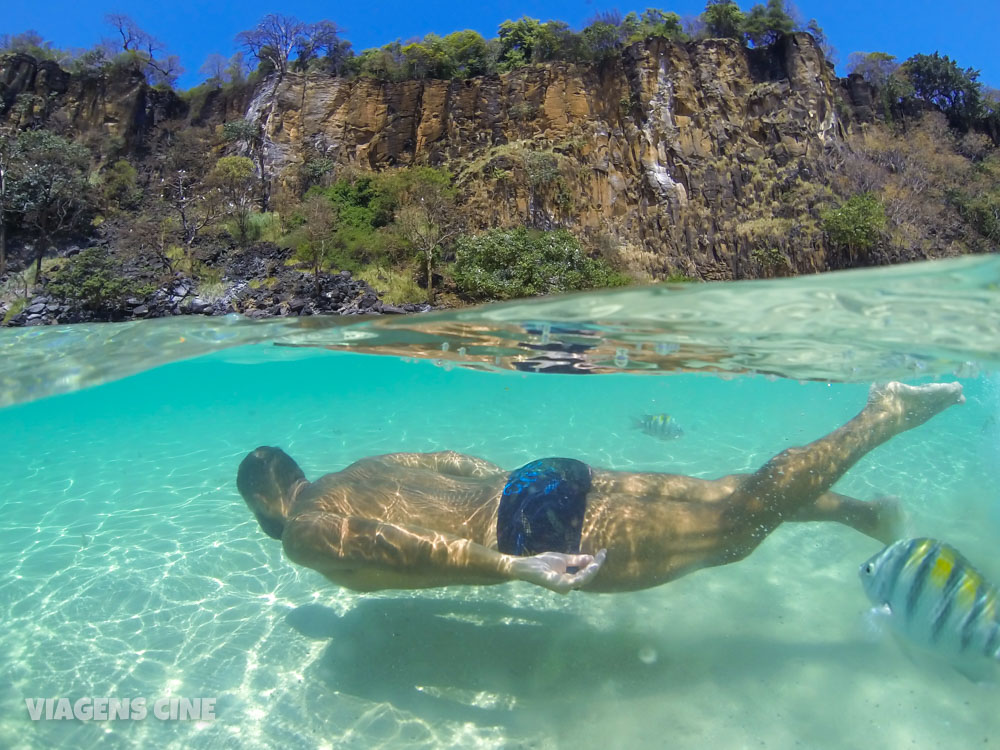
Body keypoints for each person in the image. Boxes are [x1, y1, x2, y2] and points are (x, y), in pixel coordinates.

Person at [237, 381, 964, 594]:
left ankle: (881, 417)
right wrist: (517, 489)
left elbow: (400, 547)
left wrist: (518, 564)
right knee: (721, 495)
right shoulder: (360, 469)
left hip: (526, 531)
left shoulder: (305, 531)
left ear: (269, 503)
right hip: (539, 481)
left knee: (737, 529)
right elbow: (452, 460)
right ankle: (861, 514)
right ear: (295, 473)